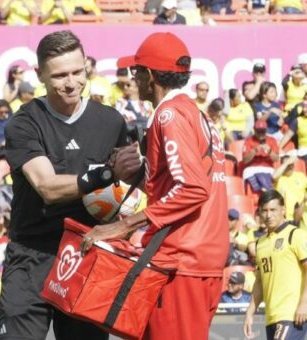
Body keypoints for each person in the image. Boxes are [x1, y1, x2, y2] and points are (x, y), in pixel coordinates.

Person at [84, 32, 229, 340]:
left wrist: (123, 227)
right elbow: (188, 183)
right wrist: (143, 172)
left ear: (149, 75)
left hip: (181, 259)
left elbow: (192, 189)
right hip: (201, 256)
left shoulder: (169, 113)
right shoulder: (197, 114)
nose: (132, 78)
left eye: (135, 71)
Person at [0, 30, 139, 340]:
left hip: (88, 253)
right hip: (32, 255)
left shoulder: (111, 121)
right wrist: (105, 174)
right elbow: (47, 186)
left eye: (78, 71)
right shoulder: (24, 122)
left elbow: (128, 184)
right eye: (60, 75)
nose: (71, 82)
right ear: (39, 75)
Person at [243, 190, 307, 340]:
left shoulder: (295, 235)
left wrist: (304, 304)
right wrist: (250, 312)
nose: (268, 215)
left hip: (293, 313)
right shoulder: (260, 243)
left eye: (273, 210)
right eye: (264, 211)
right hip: (271, 317)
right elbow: (259, 281)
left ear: (283, 210)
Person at [242, 119, 279, 193]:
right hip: (252, 168)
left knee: (271, 174)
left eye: (263, 131)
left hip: (267, 168)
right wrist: (254, 151)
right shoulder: (249, 140)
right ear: (254, 130)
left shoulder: (272, 140)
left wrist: (269, 151)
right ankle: (263, 188)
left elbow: (276, 159)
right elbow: (245, 160)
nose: (261, 134)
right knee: (247, 172)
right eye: (258, 131)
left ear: (266, 130)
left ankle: (262, 188)